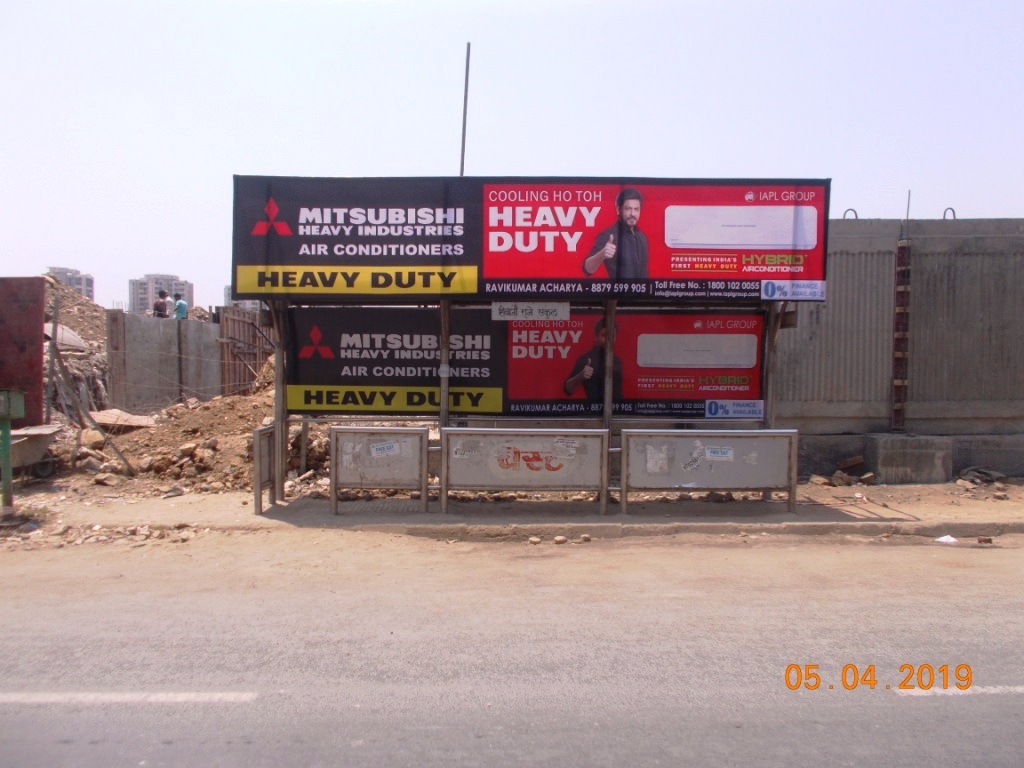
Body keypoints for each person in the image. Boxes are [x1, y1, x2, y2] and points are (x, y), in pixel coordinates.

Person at [582, 188, 649, 279]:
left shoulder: (642, 237)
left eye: (636, 209)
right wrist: (602, 254)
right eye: (628, 209)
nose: (633, 213)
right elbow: (587, 268)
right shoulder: (609, 235)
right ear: (618, 209)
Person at [563, 318, 623, 404]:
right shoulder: (586, 359)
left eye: (612, 336)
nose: (608, 340)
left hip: (618, 410)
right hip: (594, 409)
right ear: (596, 337)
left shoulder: (617, 361)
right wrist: (580, 376)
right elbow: (568, 389)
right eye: (604, 335)